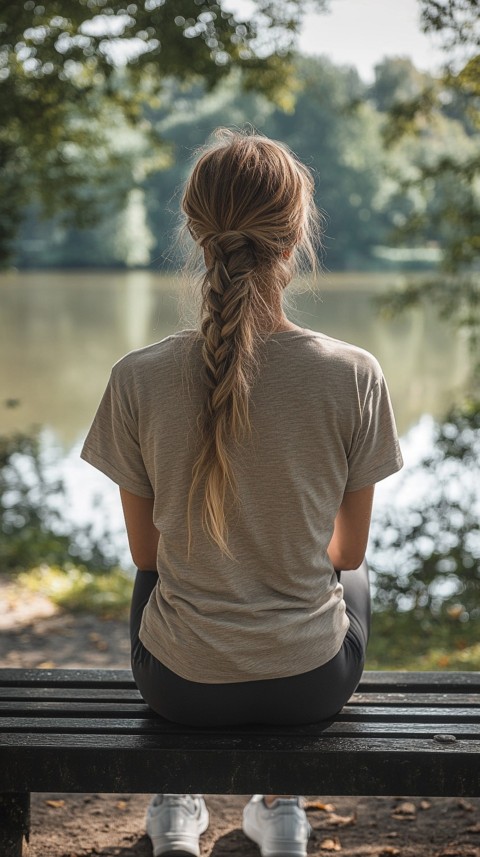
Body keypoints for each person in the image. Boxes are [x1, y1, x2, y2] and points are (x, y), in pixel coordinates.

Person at [81, 129, 403, 857]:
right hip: (311, 685)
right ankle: (282, 808)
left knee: (157, 576)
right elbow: (347, 551)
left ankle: (173, 803)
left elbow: (147, 552)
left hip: (180, 686)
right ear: (295, 236)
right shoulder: (353, 372)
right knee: (358, 572)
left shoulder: (138, 375)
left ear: (196, 232)